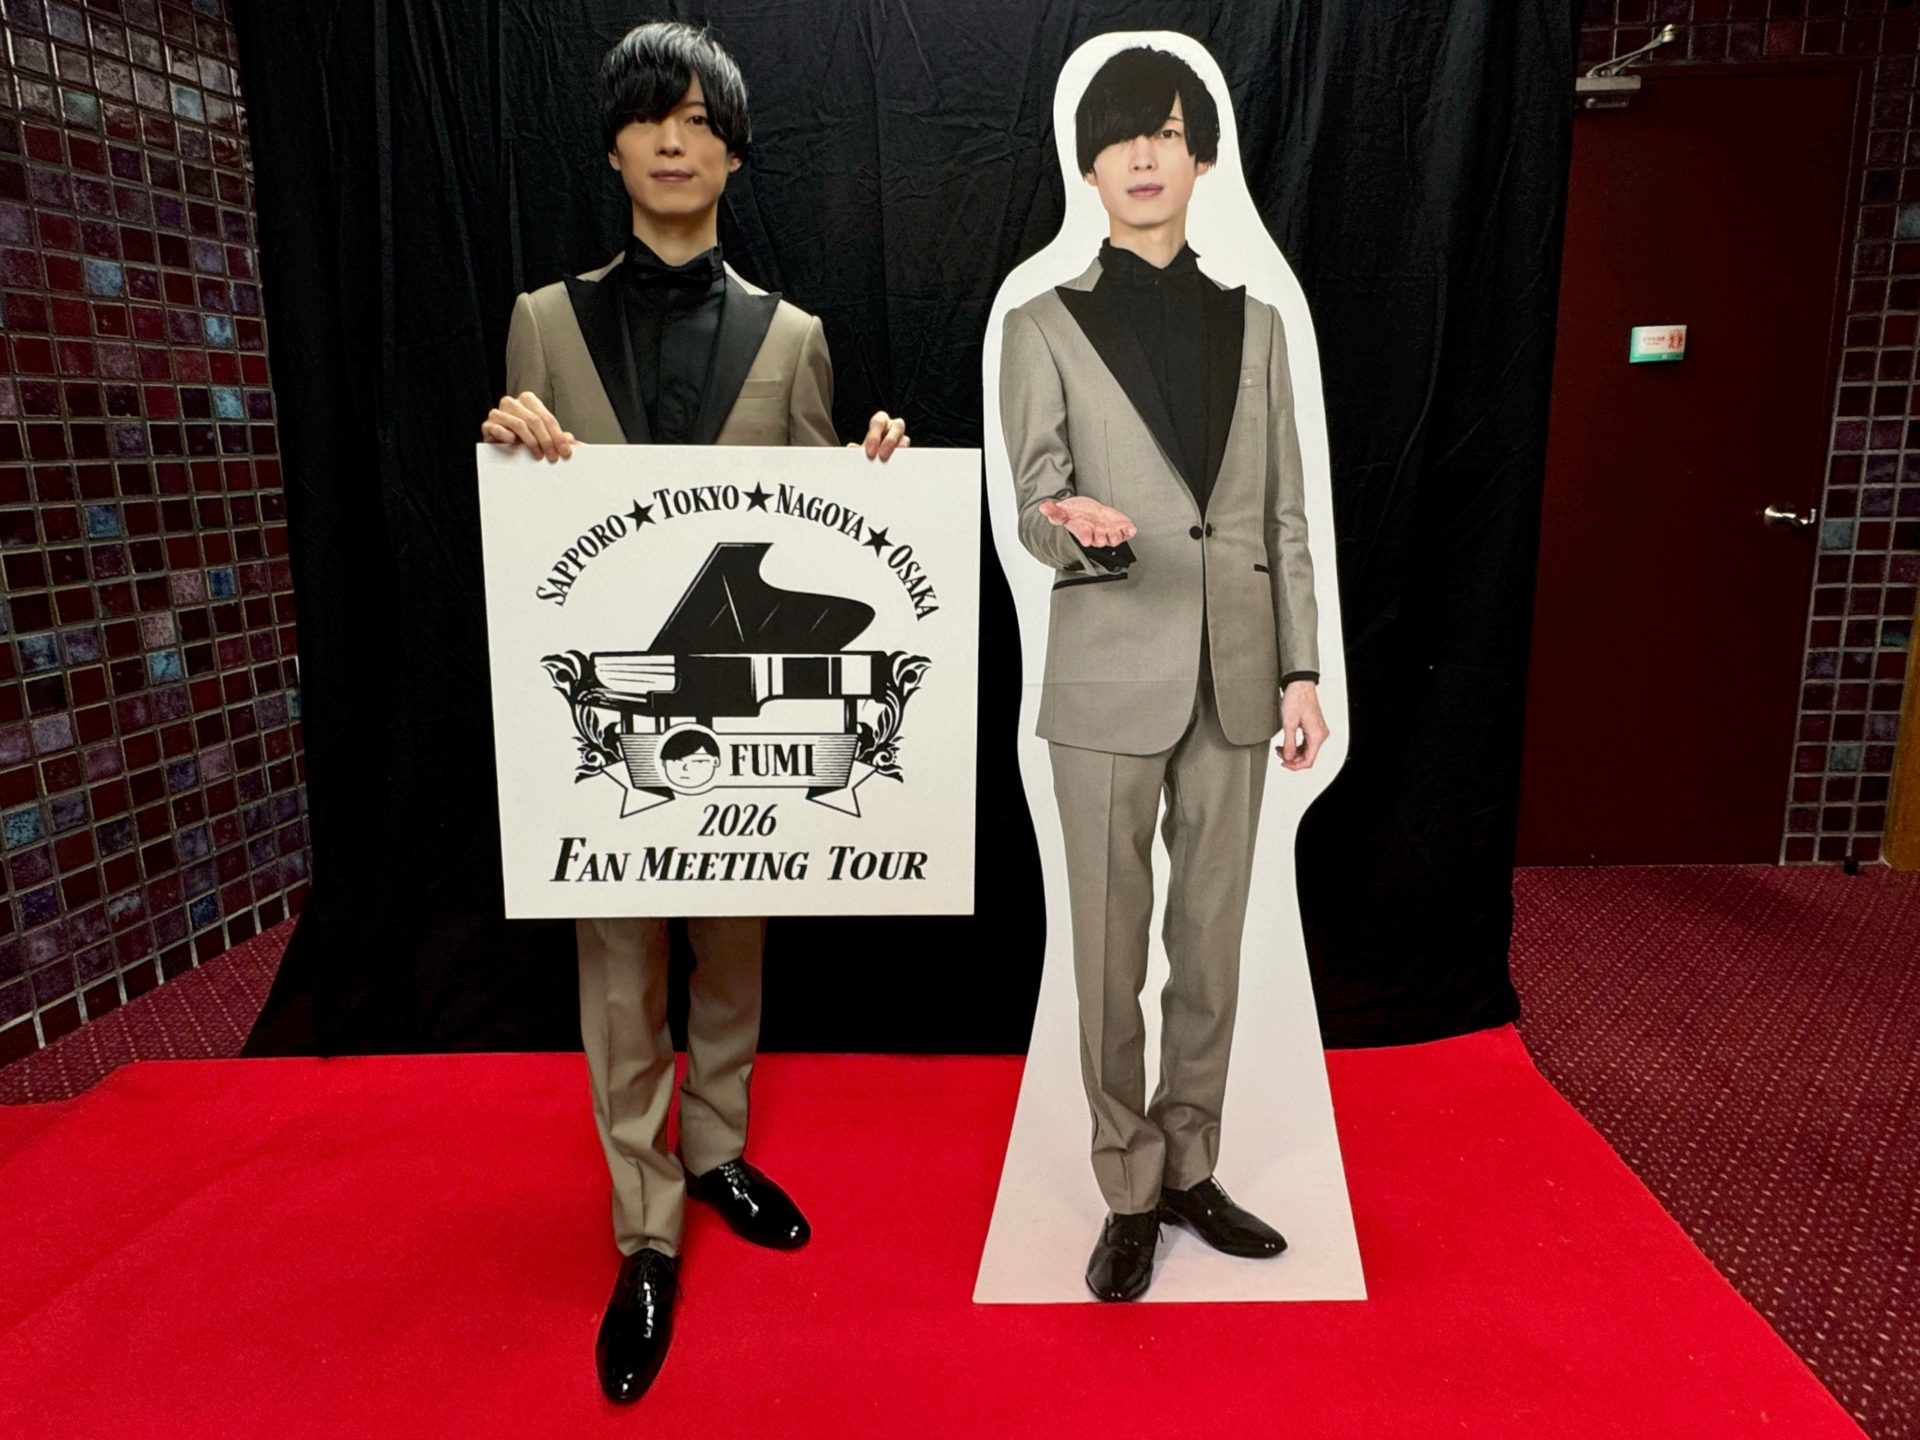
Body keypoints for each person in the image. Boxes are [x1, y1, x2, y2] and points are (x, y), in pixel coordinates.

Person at [480, 22, 908, 1402]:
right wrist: (504, 444)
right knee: (620, 970)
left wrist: (877, 480)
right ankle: (646, 1228)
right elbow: (524, 537)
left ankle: (717, 1147)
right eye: (647, 118)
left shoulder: (798, 338)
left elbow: (830, 540)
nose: (674, 140)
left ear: (733, 153)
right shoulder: (542, 321)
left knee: (733, 941)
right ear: (612, 148)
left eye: (700, 121)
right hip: (610, 717)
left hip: (739, 714)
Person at [998, 45, 1330, 1303]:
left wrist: (1300, 669)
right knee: (1107, 949)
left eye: (1168, 133)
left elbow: (1284, 517)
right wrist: (1066, 524)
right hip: (1105, 677)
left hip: (1238, 680)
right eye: (1120, 135)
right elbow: (1035, 499)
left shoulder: (1259, 325)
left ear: (1201, 158)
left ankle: (1191, 1164)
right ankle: (1127, 1187)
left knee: (1209, 945)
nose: (1144, 156)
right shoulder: (1041, 325)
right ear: (1088, 164)